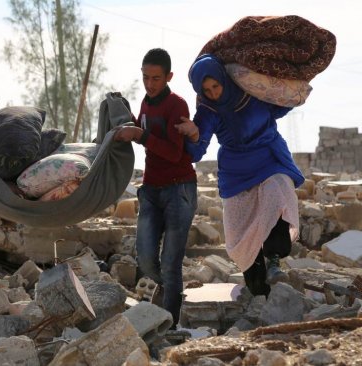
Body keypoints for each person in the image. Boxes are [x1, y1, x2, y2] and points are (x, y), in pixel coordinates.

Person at [176, 54, 304, 297]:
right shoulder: (207, 110)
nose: (213, 92)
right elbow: (197, 150)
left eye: (216, 85)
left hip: (269, 158)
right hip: (236, 171)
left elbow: (280, 104)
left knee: (277, 192)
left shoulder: (251, 89)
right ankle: (258, 289)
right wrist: (193, 135)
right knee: (239, 231)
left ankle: (275, 260)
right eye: (207, 89)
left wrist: (291, 84)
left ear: (224, 78)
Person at [113, 48, 197, 327]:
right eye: (146, 77)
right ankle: (168, 294)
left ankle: (170, 324)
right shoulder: (146, 102)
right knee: (146, 259)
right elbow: (140, 131)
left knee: (171, 263)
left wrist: (139, 134)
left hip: (178, 190)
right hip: (151, 189)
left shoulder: (177, 105)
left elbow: (174, 152)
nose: (150, 84)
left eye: (156, 79)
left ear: (169, 76)